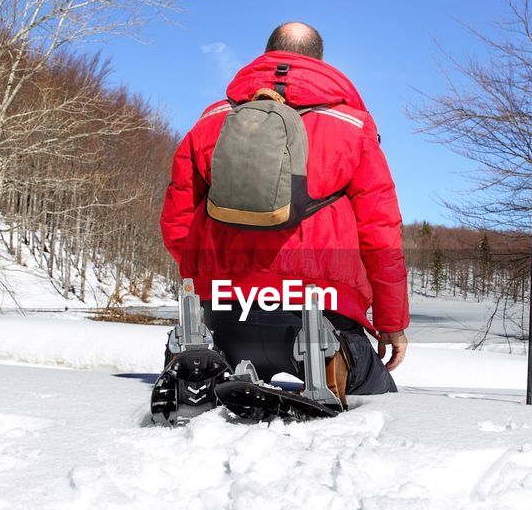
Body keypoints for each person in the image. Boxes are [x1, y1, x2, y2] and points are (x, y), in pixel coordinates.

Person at [161, 22, 409, 406]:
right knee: (380, 396)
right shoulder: (353, 126)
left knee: (218, 355)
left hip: (226, 311)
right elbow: (381, 234)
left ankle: (202, 354)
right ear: (319, 60)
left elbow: (179, 223)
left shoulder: (212, 120)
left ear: (268, 53)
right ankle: (332, 358)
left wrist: (209, 284)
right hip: (321, 311)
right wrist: (391, 323)